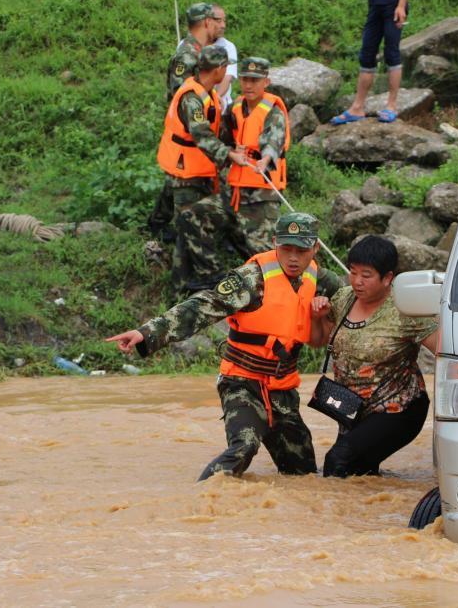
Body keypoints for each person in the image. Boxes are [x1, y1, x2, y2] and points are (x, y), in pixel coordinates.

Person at [107, 213, 343, 481]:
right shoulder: (251, 279)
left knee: (303, 474)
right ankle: (202, 499)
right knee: (244, 446)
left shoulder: (325, 282)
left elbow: (354, 313)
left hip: (282, 388)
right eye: (286, 248)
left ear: (315, 248)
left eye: (301, 250)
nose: (292, 257)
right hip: (241, 381)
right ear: (274, 241)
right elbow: (203, 306)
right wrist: (147, 332)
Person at [310, 236, 437, 477]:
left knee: (337, 460)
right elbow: (318, 341)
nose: (357, 281)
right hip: (352, 408)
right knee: (360, 473)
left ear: (387, 278)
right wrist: (317, 317)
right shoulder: (344, 298)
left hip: (398, 410)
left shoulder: (406, 308)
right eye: (353, 272)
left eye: (366, 275)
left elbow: (446, 350)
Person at [156, 45, 250, 294]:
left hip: (199, 170)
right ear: (218, 69)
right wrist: (229, 156)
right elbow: (202, 135)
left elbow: (214, 131)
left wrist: (231, 147)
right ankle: (181, 288)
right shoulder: (192, 98)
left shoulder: (204, 93)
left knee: (189, 227)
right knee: (187, 227)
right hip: (186, 171)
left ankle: (182, 287)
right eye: (225, 67)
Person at [151, 2, 221, 242]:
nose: (220, 26)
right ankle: (161, 225)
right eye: (216, 21)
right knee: (178, 177)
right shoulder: (187, 55)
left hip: (197, 129)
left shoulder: (203, 51)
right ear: (206, 22)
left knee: (178, 178)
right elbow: (180, 94)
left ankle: (159, 223)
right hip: (187, 129)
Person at [222, 57, 290, 254]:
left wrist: (265, 159)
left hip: (263, 187)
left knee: (263, 246)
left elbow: (274, 140)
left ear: (266, 82)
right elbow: (224, 136)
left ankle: (269, 280)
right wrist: (231, 151)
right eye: (245, 80)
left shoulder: (273, 112)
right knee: (240, 236)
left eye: (255, 80)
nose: (249, 85)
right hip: (237, 182)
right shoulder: (235, 107)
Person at [330, 0, 412, 125]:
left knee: (391, 53)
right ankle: (357, 108)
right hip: (376, 3)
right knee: (366, 54)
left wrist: (401, 5)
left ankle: (391, 106)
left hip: (393, 4)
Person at [211, 4, 238, 111]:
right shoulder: (186, 46)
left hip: (221, 107)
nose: (223, 25)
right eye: (218, 21)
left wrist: (215, 98)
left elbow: (227, 77)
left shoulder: (228, 47)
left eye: (224, 21)